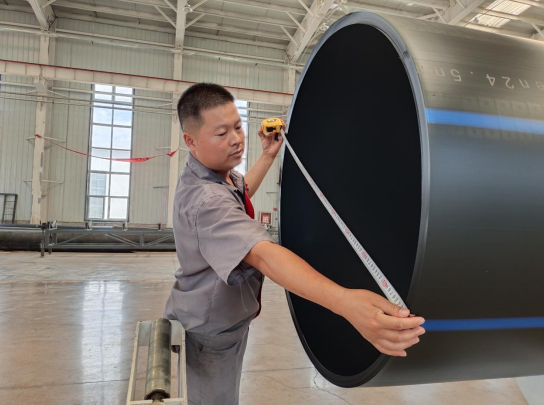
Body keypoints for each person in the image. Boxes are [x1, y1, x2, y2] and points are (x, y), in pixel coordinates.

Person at [164, 83, 425, 405]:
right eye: (221, 133)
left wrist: (267, 155)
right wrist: (345, 302)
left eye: (237, 127)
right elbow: (264, 256)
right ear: (190, 140)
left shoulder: (217, 175)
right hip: (210, 327)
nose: (236, 139)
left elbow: (240, 193)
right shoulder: (206, 199)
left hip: (224, 317)